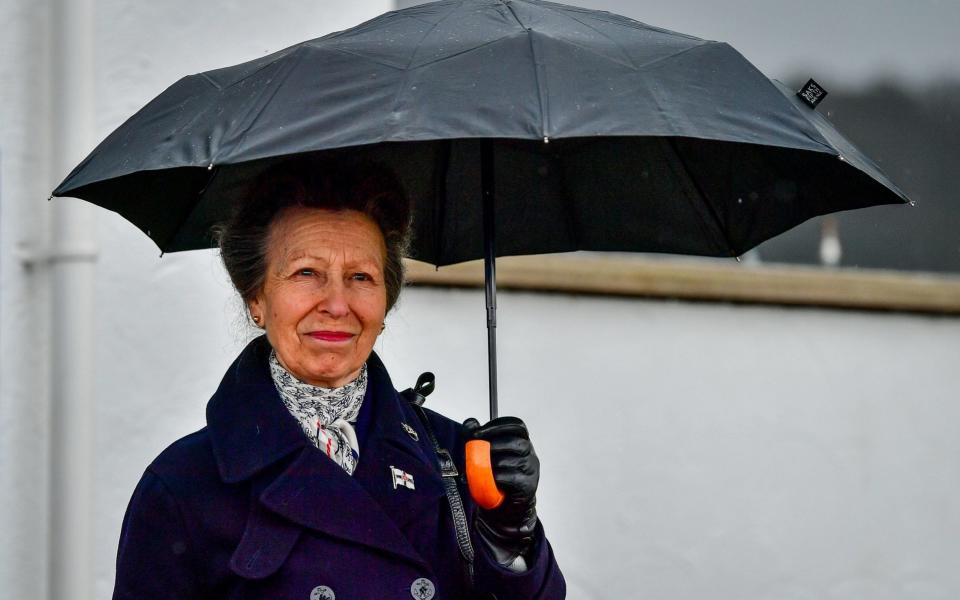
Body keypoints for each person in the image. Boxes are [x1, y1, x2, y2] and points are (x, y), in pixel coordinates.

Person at [112, 157, 566, 599]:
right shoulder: (183, 485)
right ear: (256, 298)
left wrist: (512, 539)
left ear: (385, 304)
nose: (336, 303)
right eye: (306, 272)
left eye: (361, 277)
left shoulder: (455, 461)